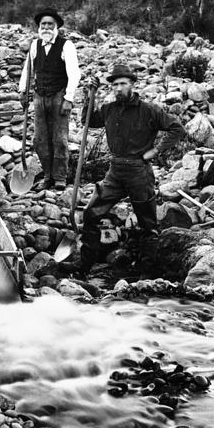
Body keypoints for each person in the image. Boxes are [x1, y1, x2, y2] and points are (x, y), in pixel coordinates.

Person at [73, 63, 185, 275]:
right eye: (114, 85)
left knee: (147, 225)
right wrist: (90, 94)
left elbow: (176, 128)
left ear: (133, 84)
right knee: (91, 214)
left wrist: (155, 151)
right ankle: (84, 267)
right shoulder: (109, 110)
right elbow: (87, 120)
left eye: (123, 84)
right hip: (115, 172)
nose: (118, 88)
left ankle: (150, 273)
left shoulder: (149, 110)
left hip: (139, 173)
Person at [18, 8, 81, 190]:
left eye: (50, 24)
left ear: (56, 27)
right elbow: (27, 69)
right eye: (43, 24)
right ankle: (47, 175)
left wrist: (69, 98)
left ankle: (60, 177)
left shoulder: (66, 45)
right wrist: (23, 91)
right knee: (39, 139)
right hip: (39, 96)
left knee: (59, 139)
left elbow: (74, 74)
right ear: (39, 27)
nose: (46, 27)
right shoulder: (35, 45)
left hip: (59, 96)